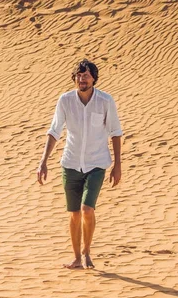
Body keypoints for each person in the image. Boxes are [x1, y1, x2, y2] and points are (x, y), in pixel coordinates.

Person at [37, 59, 123, 269]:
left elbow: (115, 132)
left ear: (94, 78)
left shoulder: (105, 101)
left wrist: (118, 165)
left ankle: (86, 253)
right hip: (71, 163)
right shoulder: (65, 100)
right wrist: (43, 161)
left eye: (86, 75)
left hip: (96, 164)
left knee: (86, 209)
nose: (82, 79)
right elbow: (54, 130)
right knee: (74, 213)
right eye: (78, 75)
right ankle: (76, 258)